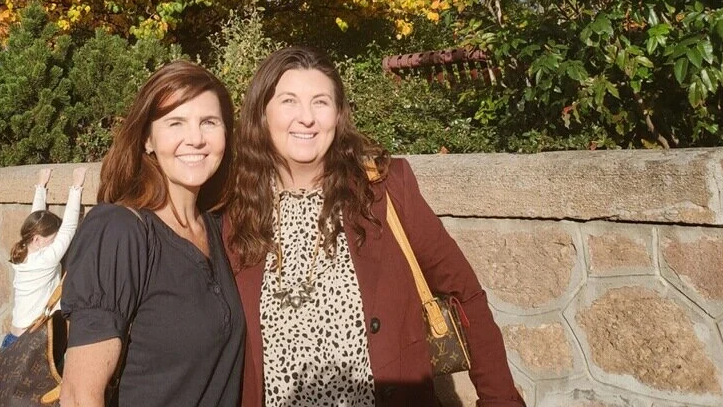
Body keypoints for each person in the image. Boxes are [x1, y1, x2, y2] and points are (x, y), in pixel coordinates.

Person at [223, 46, 525, 407]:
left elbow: (466, 294)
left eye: (320, 102)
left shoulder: (384, 189)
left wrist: (500, 400)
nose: (306, 118)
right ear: (262, 113)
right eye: (289, 101)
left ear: (338, 114)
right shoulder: (233, 210)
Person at [59, 61, 245, 407]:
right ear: (147, 139)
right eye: (176, 123)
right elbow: (79, 395)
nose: (196, 138)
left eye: (209, 122)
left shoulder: (218, 228)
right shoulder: (119, 231)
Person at [5, 165, 86, 350]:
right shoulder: (45, 260)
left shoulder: (23, 254)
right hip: (28, 344)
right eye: (52, 239)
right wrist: (76, 187)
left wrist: (41, 186)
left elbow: (35, 220)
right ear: (37, 239)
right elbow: (68, 228)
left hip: (12, 340)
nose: (55, 242)